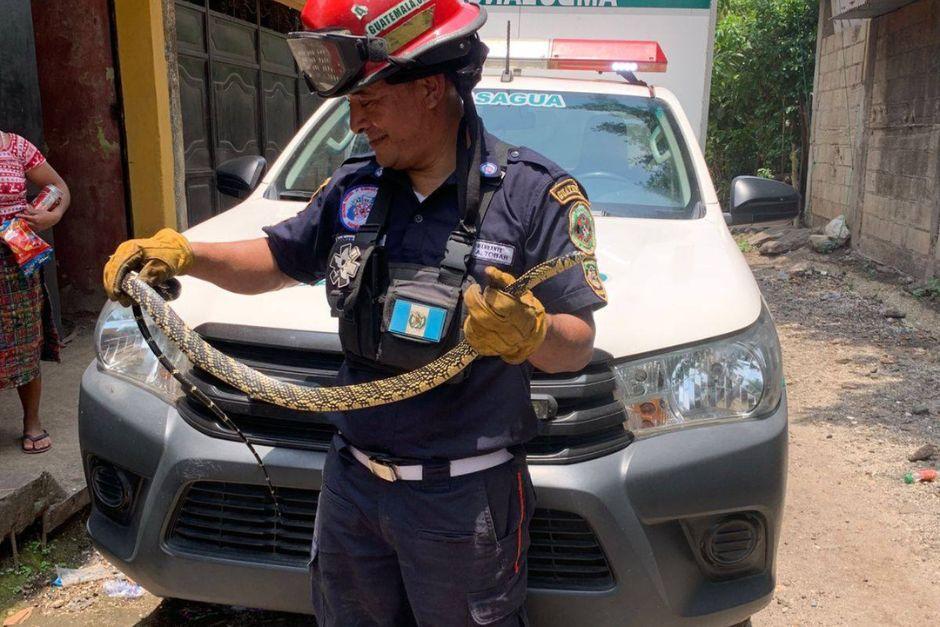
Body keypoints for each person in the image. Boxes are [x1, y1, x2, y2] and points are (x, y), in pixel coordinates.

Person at [103, 0, 606, 623]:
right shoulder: (354, 186)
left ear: (430, 89)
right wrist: (185, 253)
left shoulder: (535, 194)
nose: (355, 120)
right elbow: (277, 257)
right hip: (352, 490)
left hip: (464, 503)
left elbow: (576, 343)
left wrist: (531, 332)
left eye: (368, 100)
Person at [1, 129, 70, 453]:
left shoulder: (15, 146)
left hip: (15, 258)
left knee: (25, 339)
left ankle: (32, 421)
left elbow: (60, 188)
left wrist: (52, 214)